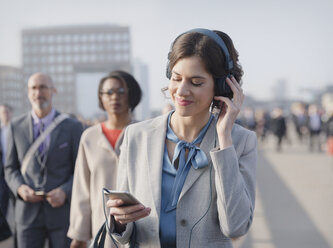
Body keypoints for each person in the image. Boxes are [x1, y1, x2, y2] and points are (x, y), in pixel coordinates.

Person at [107, 29, 257, 247]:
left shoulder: (241, 141)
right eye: (176, 78)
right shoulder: (136, 136)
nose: (181, 91)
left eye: (196, 82)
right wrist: (119, 222)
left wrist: (224, 139)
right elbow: (122, 230)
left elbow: (236, 226)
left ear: (223, 85)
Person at [4, 73, 83, 248]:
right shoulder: (16, 126)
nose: (38, 92)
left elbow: (81, 170)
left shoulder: (72, 126)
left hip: (62, 215)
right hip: (27, 214)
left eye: (43, 87)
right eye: (33, 88)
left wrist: (65, 191)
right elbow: (10, 168)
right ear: (27, 92)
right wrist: (19, 188)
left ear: (53, 91)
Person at [67, 71, 142, 248]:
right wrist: (79, 234)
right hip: (101, 227)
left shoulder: (143, 133)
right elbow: (81, 190)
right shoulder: (89, 137)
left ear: (131, 94)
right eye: (108, 92)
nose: (114, 97)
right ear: (101, 97)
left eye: (121, 91)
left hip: (140, 225)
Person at [0, 104, 13, 218]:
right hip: (2, 172)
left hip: (15, 171)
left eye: (7, 112)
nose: (5, 115)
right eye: (3, 112)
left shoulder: (17, 129)